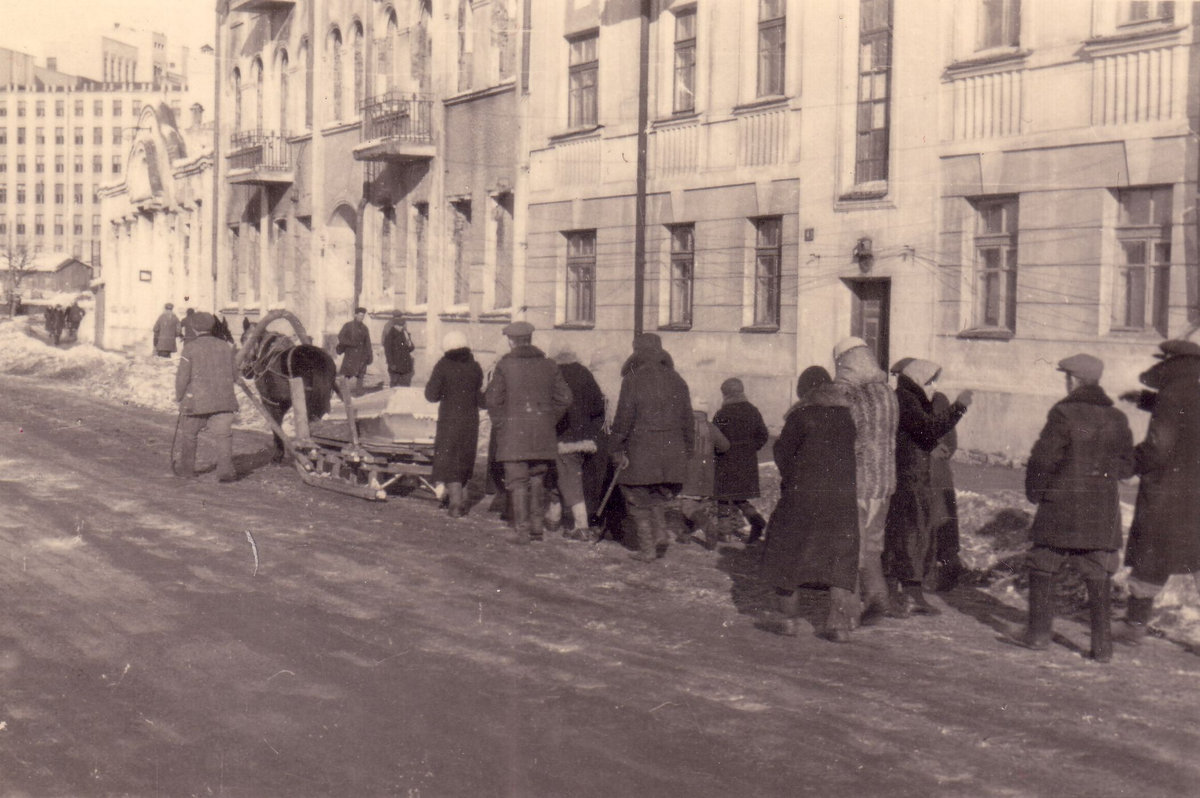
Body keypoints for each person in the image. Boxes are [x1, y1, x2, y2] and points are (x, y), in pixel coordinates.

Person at [1021, 354, 1134, 662]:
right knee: (1099, 572)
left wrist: (1035, 490)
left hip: (1062, 506)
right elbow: (1127, 467)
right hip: (1101, 511)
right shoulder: (1118, 418)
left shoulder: (1063, 413)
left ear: (1073, 380)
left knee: (1044, 562)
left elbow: (1044, 458)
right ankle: (1102, 647)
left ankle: (1038, 635)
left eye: (1066, 377)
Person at [761, 366, 860, 642]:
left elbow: (783, 454)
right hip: (841, 500)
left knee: (786, 552)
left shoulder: (801, 416)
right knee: (838, 557)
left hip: (803, 496)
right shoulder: (846, 417)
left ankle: (789, 619)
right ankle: (838, 625)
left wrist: (792, 480)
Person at [1119, 339, 1200, 644]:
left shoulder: (1172, 392)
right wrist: (1145, 399)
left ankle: (1134, 625)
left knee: (1152, 553)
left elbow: (1158, 447)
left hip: (1171, 493)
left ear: (1169, 363)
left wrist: (1126, 465)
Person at [883, 358, 972, 617]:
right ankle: (899, 594)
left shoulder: (914, 398)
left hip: (917, 477)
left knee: (918, 535)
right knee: (907, 535)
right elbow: (927, 428)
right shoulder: (906, 399)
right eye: (931, 380)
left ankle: (912, 592)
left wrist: (932, 446)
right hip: (907, 477)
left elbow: (923, 434)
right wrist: (960, 408)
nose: (934, 385)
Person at [829, 337, 900, 625]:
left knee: (849, 548)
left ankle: (847, 615)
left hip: (855, 481)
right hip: (883, 482)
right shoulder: (887, 392)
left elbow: (839, 438)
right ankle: (878, 598)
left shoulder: (845, 393)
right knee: (872, 545)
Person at [485, 321, 572, 544]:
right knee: (537, 479)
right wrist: (549, 420)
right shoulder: (550, 365)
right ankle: (536, 528)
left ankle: (522, 531)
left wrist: (502, 424)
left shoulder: (504, 366)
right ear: (530, 339)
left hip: (513, 435)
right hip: (542, 435)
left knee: (517, 481)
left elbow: (492, 400)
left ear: (511, 341)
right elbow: (565, 398)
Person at [609, 333, 694, 562]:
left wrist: (615, 446)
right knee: (657, 496)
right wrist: (688, 451)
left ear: (637, 351)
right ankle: (660, 534)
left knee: (637, 498)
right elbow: (688, 420)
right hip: (672, 451)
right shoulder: (678, 380)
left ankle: (647, 549)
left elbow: (623, 419)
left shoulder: (633, 380)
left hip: (641, 450)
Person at [425, 330, 485, 517]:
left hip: (450, 419)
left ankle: (456, 503)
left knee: (449, 459)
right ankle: (461, 499)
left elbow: (431, 395)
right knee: (465, 457)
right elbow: (480, 398)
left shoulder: (443, 365)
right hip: (470, 420)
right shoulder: (475, 367)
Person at [174, 311, 239, 482]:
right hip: (224, 401)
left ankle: (187, 470)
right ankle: (225, 470)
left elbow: (183, 376)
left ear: (195, 328)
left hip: (196, 402)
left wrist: (179, 395)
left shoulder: (190, 348)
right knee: (224, 436)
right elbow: (235, 375)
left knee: (189, 434)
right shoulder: (226, 346)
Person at [550, 349, 606, 540]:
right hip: (586, 436)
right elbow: (598, 405)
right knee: (563, 475)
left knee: (568, 478)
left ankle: (581, 526)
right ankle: (553, 516)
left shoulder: (554, 374)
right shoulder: (585, 373)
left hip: (564, 436)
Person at [712, 377, 770, 544]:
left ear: (726, 393)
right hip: (747, 461)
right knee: (740, 496)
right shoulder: (753, 411)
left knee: (723, 495)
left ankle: (724, 533)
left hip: (726, 459)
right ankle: (756, 521)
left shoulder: (723, 414)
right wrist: (751, 448)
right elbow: (763, 435)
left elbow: (715, 436)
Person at [678, 398, 729, 549]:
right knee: (696, 505)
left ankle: (707, 527)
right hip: (706, 475)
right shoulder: (711, 428)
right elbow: (725, 446)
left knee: (687, 506)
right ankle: (685, 535)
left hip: (688, 473)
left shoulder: (684, 427)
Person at [336, 307, 373, 394]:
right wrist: (350, 343)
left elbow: (368, 342)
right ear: (355, 315)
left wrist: (370, 355)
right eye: (360, 315)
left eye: (363, 316)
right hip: (350, 354)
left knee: (361, 374)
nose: (361, 317)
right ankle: (342, 392)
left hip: (361, 355)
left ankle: (359, 392)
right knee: (346, 374)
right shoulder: (348, 326)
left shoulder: (365, 328)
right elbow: (340, 337)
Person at [382, 312, 416, 387]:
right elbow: (388, 352)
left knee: (405, 387)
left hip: (405, 366)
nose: (401, 327)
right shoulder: (390, 336)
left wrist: (409, 341)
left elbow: (411, 348)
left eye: (402, 326)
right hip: (395, 367)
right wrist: (391, 364)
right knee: (394, 386)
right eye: (399, 326)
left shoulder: (405, 334)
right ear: (394, 325)